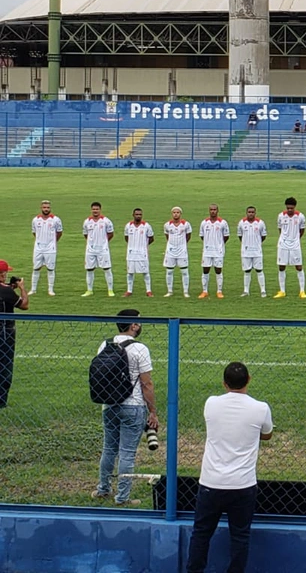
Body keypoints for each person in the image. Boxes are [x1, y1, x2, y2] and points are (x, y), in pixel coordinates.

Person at [184, 362, 273, 573]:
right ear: (249, 379)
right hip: (243, 485)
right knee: (240, 536)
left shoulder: (211, 403)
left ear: (224, 384)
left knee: (201, 533)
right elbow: (267, 434)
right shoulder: (261, 408)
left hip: (211, 482)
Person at [92, 309, 157, 506]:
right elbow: (147, 384)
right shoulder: (140, 349)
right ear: (134, 325)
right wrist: (153, 411)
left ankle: (103, 488)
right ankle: (123, 497)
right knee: (127, 452)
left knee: (109, 449)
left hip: (109, 404)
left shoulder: (105, 344)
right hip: (133, 405)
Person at [0, 260, 29, 408]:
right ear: (2, 274)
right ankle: (1, 401)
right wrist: (22, 288)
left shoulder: (6, 290)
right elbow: (24, 305)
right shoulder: (6, 291)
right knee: (4, 366)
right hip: (5, 334)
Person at [274, 197, 306, 299]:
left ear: (295, 207)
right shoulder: (281, 216)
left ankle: (302, 291)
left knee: (299, 267)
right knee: (281, 267)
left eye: (291, 208)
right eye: (288, 208)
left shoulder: (300, 217)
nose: (289, 210)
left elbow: (302, 230)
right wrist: (284, 239)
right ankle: (282, 291)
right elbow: (280, 229)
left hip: (295, 245)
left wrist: (295, 239)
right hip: (283, 245)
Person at [82, 201, 115, 298]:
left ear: (100, 210)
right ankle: (89, 290)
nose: (95, 211)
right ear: (91, 210)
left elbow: (111, 234)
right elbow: (85, 234)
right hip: (90, 250)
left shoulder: (106, 221)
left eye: (97, 209)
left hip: (103, 249)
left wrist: (103, 242)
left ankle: (110, 290)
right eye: (93, 209)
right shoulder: (87, 222)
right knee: (89, 269)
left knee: (107, 268)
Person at [31, 199, 63, 296]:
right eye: (44, 207)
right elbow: (34, 232)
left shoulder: (56, 220)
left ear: (50, 208)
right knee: (36, 268)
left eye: (48, 207)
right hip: (38, 248)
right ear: (41, 208)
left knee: (50, 269)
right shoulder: (35, 220)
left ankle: (50, 289)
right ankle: (33, 289)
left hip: (50, 249)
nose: (46, 209)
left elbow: (59, 232)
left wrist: (53, 242)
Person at [198, 204, 230, 300]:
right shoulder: (204, 223)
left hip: (218, 251)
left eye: (214, 210)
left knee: (218, 270)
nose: (213, 211)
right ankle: (204, 291)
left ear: (217, 210)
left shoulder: (223, 222)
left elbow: (226, 236)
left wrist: (219, 244)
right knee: (205, 270)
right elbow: (202, 236)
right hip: (207, 251)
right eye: (211, 210)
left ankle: (219, 291)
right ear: (209, 211)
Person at [237, 207, 268, 299]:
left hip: (257, 251)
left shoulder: (260, 223)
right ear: (246, 213)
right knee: (247, 271)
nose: (251, 214)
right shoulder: (241, 223)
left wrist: (256, 244)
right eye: (249, 212)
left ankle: (263, 290)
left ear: (255, 213)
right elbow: (240, 236)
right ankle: (246, 291)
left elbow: (263, 236)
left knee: (259, 270)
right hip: (246, 251)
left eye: (252, 212)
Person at [124, 208, 155, 298]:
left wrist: (143, 246)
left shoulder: (146, 226)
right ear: (133, 215)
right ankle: (129, 291)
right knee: (130, 272)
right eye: (137, 214)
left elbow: (151, 238)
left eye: (140, 214)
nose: (138, 216)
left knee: (145, 272)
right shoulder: (128, 226)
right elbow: (126, 238)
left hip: (142, 253)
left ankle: (148, 291)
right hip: (131, 253)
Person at [163, 206, 193, 298]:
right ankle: (170, 291)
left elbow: (188, 236)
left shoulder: (186, 224)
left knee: (184, 271)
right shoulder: (167, 225)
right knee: (169, 271)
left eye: (178, 212)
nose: (176, 214)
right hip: (170, 251)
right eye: (174, 212)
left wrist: (182, 245)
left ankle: (185, 292)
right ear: (172, 214)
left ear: (180, 214)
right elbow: (167, 236)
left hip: (182, 251)